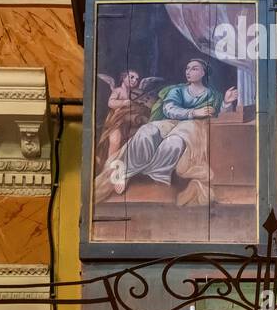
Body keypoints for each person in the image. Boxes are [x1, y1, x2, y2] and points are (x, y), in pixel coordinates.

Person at [95, 58, 237, 204]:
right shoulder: (178, 90)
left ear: (203, 73)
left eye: (194, 68)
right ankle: (126, 171)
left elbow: (221, 116)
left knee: (174, 142)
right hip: (173, 121)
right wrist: (194, 112)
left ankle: (154, 174)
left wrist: (226, 102)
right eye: (187, 68)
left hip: (195, 128)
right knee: (147, 131)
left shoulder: (213, 95)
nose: (188, 71)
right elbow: (169, 109)